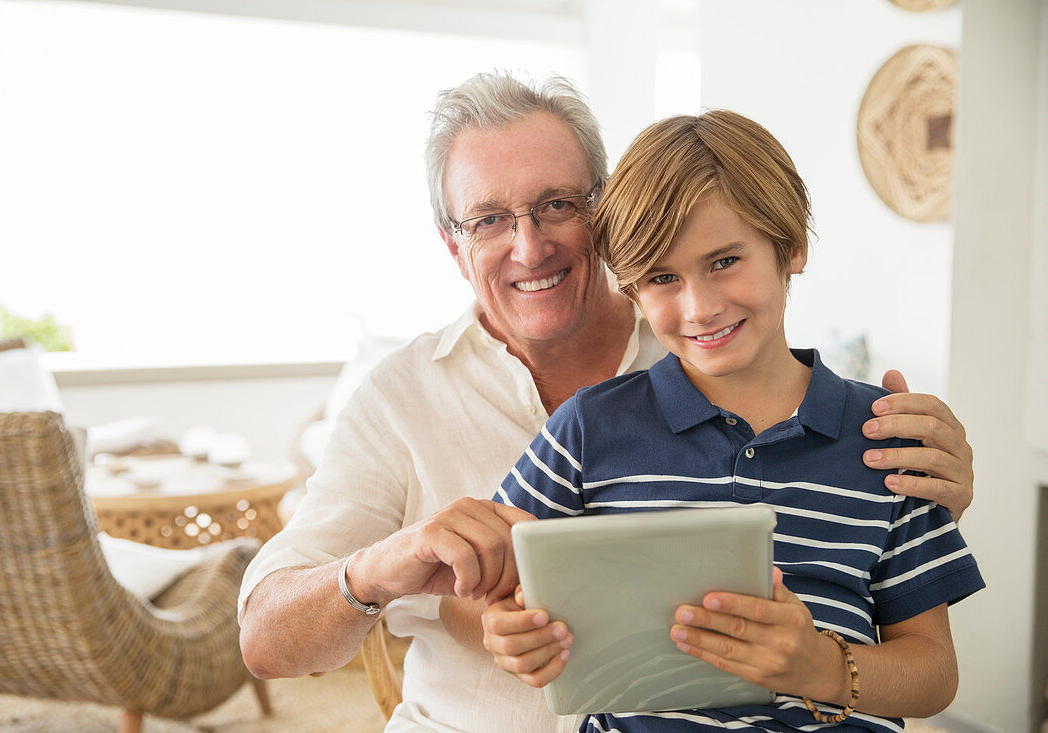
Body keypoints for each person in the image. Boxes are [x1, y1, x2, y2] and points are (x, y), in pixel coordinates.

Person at [237, 73, 977, 733]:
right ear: (452, 244)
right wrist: (390, 571)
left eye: (556, 204)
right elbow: (276, 638)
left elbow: (924, 655)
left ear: (602, 216)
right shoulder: (433, 403)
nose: (529, 247)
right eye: (488, 218)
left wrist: (939, 484)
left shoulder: (780, 384)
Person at [482, 110, 985, 733]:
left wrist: (819, 668)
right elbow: (498, 585)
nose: (700, 306)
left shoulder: (888, 438)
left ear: (791, 245)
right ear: (633, 290)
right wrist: (508, 635)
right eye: (663, 277)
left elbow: (934, 675)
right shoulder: (589, 428)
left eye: (724, 261)